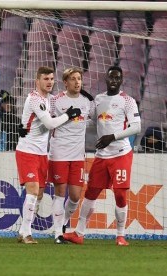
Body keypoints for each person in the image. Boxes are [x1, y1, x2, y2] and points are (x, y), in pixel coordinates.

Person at [63, 66, 141, 246]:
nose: (114, 80)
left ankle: (121, 235)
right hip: (101, 155)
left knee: (120, 195)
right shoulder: (98, 99)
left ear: (121, 81)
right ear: (106, 79)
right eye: (111, 77)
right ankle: (79, 234)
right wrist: (72, 121)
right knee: (90, 193)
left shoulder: (127, 101)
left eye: (117, 78)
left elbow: (136, 127)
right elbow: (92, 121)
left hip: (121, 153)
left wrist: (111, 137)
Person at [15, 66, 81, 244]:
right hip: (27, 150)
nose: (50, 82)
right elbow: (51, 123)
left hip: (42, 154)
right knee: (33, 190)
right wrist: (68, 115)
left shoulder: (51, 99)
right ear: (37, 81)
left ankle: (22, 230)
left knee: (39, 194)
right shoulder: (34, 98)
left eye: (52, 79)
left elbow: (67, 99)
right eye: (46, 79)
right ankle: (27, 233)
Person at [47, 68, 95, 244]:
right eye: (73, 79)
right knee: (60, 192)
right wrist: (68, 116)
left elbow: (89, 120)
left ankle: (64, 223)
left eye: (79, 79)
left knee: (75, 196)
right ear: (65, 82)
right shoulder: (56, 100)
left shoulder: (86, 101)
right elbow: (50, 123)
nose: (77, 82)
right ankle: (57, 232)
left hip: (77, 154)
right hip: (59, 152)